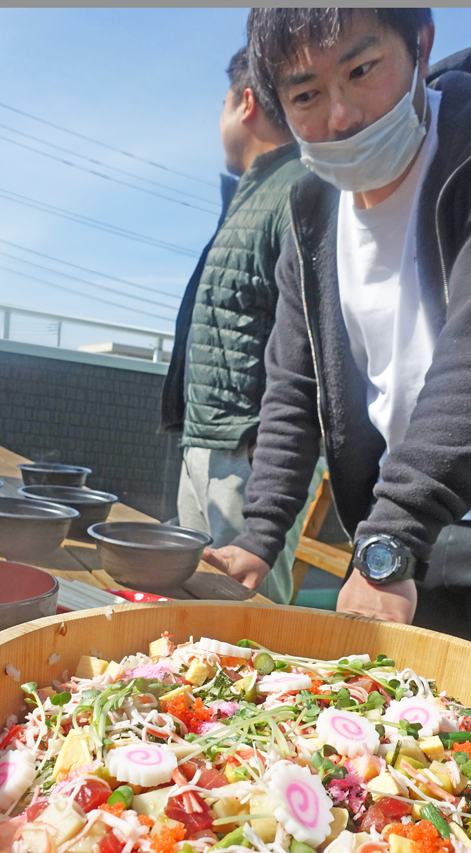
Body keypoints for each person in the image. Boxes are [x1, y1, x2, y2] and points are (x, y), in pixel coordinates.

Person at [202, 8, 471, 675]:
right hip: (397, 528)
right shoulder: (311, 211)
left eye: (361, 69)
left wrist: (391, 540)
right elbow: (294, 387)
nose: (341, 115)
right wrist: (259, 535)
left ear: (419, 48)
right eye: (306, 94)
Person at [160, 46, 320, 605]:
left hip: (249, 455)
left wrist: (262, 446)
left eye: (222, 103)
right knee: (192, 608)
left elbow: (310, 340)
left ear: (244, 101)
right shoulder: (253, 194)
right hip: (207, 442)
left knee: (246, 620)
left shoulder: (300, 185)